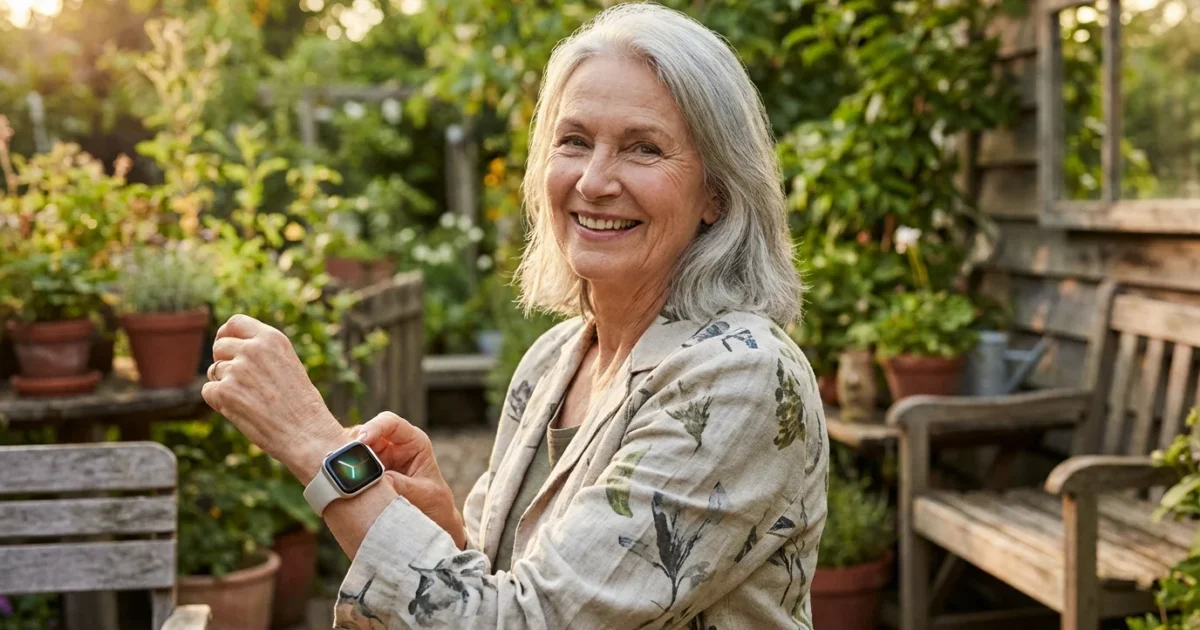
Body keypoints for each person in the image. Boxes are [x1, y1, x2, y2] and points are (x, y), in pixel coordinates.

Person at [202, 3, 828, 628]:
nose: (594, 180)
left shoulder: (741, 378)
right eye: (575, 141)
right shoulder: (553, 361)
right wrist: (447, 534)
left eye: (643, 149)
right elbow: (512, 592)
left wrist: (318, 447)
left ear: (716, 192)